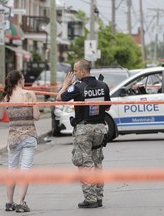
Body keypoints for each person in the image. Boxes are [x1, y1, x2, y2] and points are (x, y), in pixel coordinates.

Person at [57, 59, 111, 208]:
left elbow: (59, 98)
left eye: (75, 71)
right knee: (97, 162)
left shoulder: (78, 87)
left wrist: (65, 85)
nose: (74, 73)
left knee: (85, 163)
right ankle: (99, 197)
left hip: (84, 130)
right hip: (100, 128)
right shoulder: (103, 85)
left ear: (82, 71)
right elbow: (107, 108)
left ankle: (90, 199)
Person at [0, 70, 40, 213]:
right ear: (20, 80)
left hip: (13, 138)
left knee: (12, 170)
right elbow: (36, 116)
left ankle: (8, 202)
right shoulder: (29, 94)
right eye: (23, 78)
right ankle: (20, 203)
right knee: (25, 170)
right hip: (28, 135)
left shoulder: (6, 97)